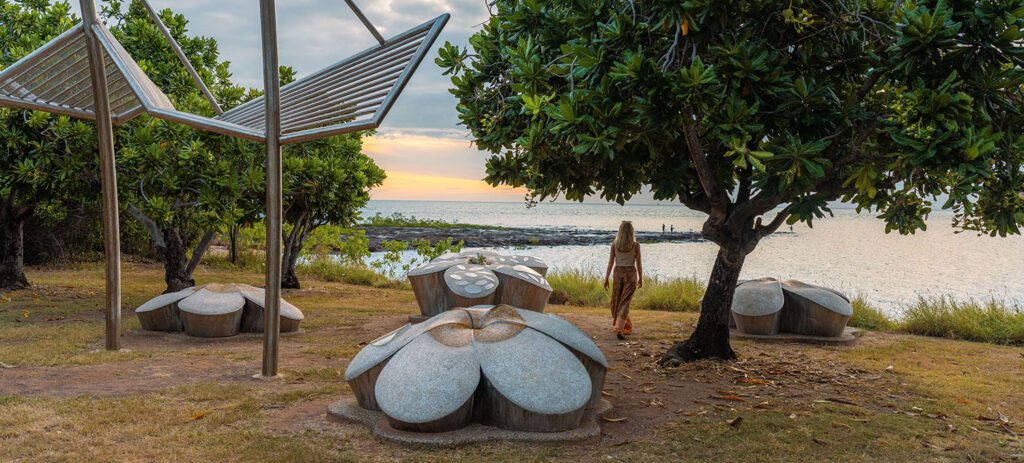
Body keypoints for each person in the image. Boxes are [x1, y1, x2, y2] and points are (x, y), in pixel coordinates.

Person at [603, 221, 643, 340]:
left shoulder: (615, 244)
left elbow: (611, 262)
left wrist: (606, 278)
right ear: (631, 232)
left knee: (616, 300)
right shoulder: (635, 245)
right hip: (630, 273)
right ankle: (619, 327)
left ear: (620, 231)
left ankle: (619, 326)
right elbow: (639, 263)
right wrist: (641, 278)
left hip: (618, 273)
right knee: (625, 302)